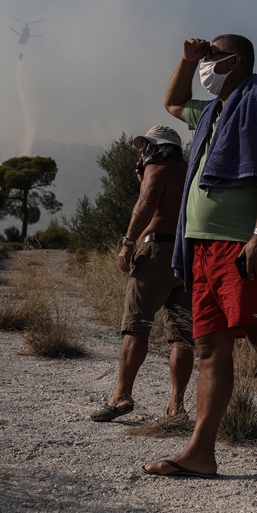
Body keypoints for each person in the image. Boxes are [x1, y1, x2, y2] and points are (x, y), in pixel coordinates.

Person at [140, 35, 257, 495]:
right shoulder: (211, 113)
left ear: (236, 61)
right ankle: (201, 451)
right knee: (210, 348)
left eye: (212, 56)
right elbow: (172, 101)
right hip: (203, 250)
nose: (207, 63)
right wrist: (187, 59)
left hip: (247, 247)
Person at [90, 125, 195, 423]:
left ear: (162, 149)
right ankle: (176, 406)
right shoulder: (190, 171)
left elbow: (148, 204)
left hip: (157, 254)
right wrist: (143, 178)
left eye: (147, 147)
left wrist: (127, 242)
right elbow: (170, 205)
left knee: (136, 326)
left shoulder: (158, 168)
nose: (143, 152)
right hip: (187, 258)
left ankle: (122, 394)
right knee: (181, 336)